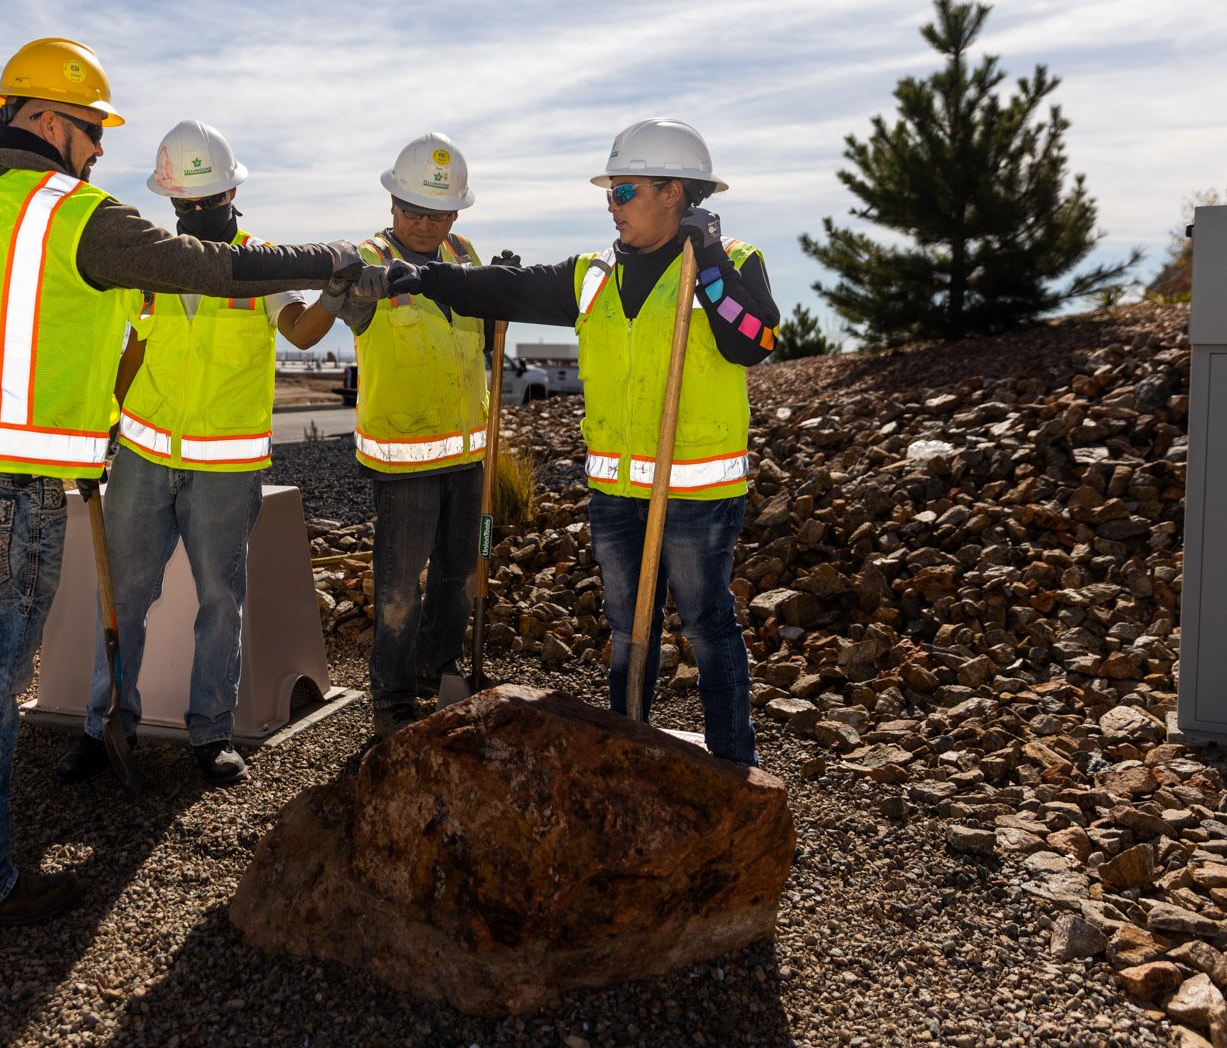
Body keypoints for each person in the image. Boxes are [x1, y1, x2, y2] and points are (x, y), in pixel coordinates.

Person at [0, 38, 362, 936]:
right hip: (8, 495)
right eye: (92, 130)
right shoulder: (75, 214)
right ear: (46, 121)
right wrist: (333, 257)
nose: (97, 149)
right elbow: (210, 269)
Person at [376, 119, 777, 766]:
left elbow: (753, 341)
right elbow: (506, 288)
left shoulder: (734, 266)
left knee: (708, 626)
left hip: (696, 493)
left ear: (674, 193)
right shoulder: (594, 274)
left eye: (624, 191)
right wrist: (424, 278)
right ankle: (627, 747)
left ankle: (736, 762)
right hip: (617, 493)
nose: (610, 203)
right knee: (627, 629)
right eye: (610, 191)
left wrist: (713, 266)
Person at [55, 120, 351, 787]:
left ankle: (211, 733)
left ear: (231, 195)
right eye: (184, 205)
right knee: (123, 595)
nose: (193, 214)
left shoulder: (263, 260)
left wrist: (334, 293)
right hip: (142, 456)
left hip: (226, 466)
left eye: (205, 202)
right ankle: (105, 727)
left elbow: (301, 333)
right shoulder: (152, 262)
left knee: (221, 598)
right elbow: (129, 352)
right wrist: (98, 433)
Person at [338, 133, 487, 741]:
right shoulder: (367, 259)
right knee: (400, 586)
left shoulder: (466, 254)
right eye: (416, 210)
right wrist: (352, 289)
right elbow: (342, 311)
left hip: (469, 451)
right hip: (403, 461)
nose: (428, 223)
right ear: (393, 204)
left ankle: (439, 667)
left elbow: (482, 335)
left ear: (456, 212)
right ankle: (392, 699)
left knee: (459, 572)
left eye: (441, 211)